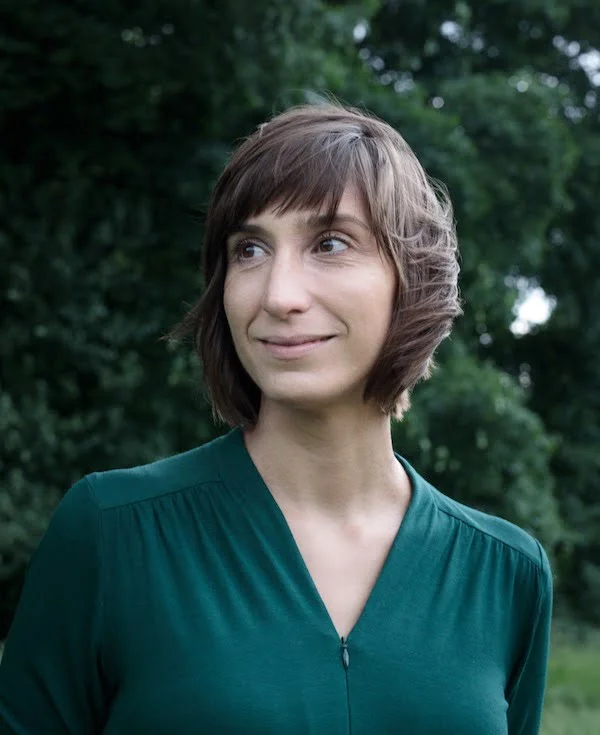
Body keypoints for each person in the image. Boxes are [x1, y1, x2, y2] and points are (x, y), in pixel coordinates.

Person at [0, 102, 552, 735]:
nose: (278, 295)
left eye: (330, 243)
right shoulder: (111, 531)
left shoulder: (508, 572)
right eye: (250, 249)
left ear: (414, 281)